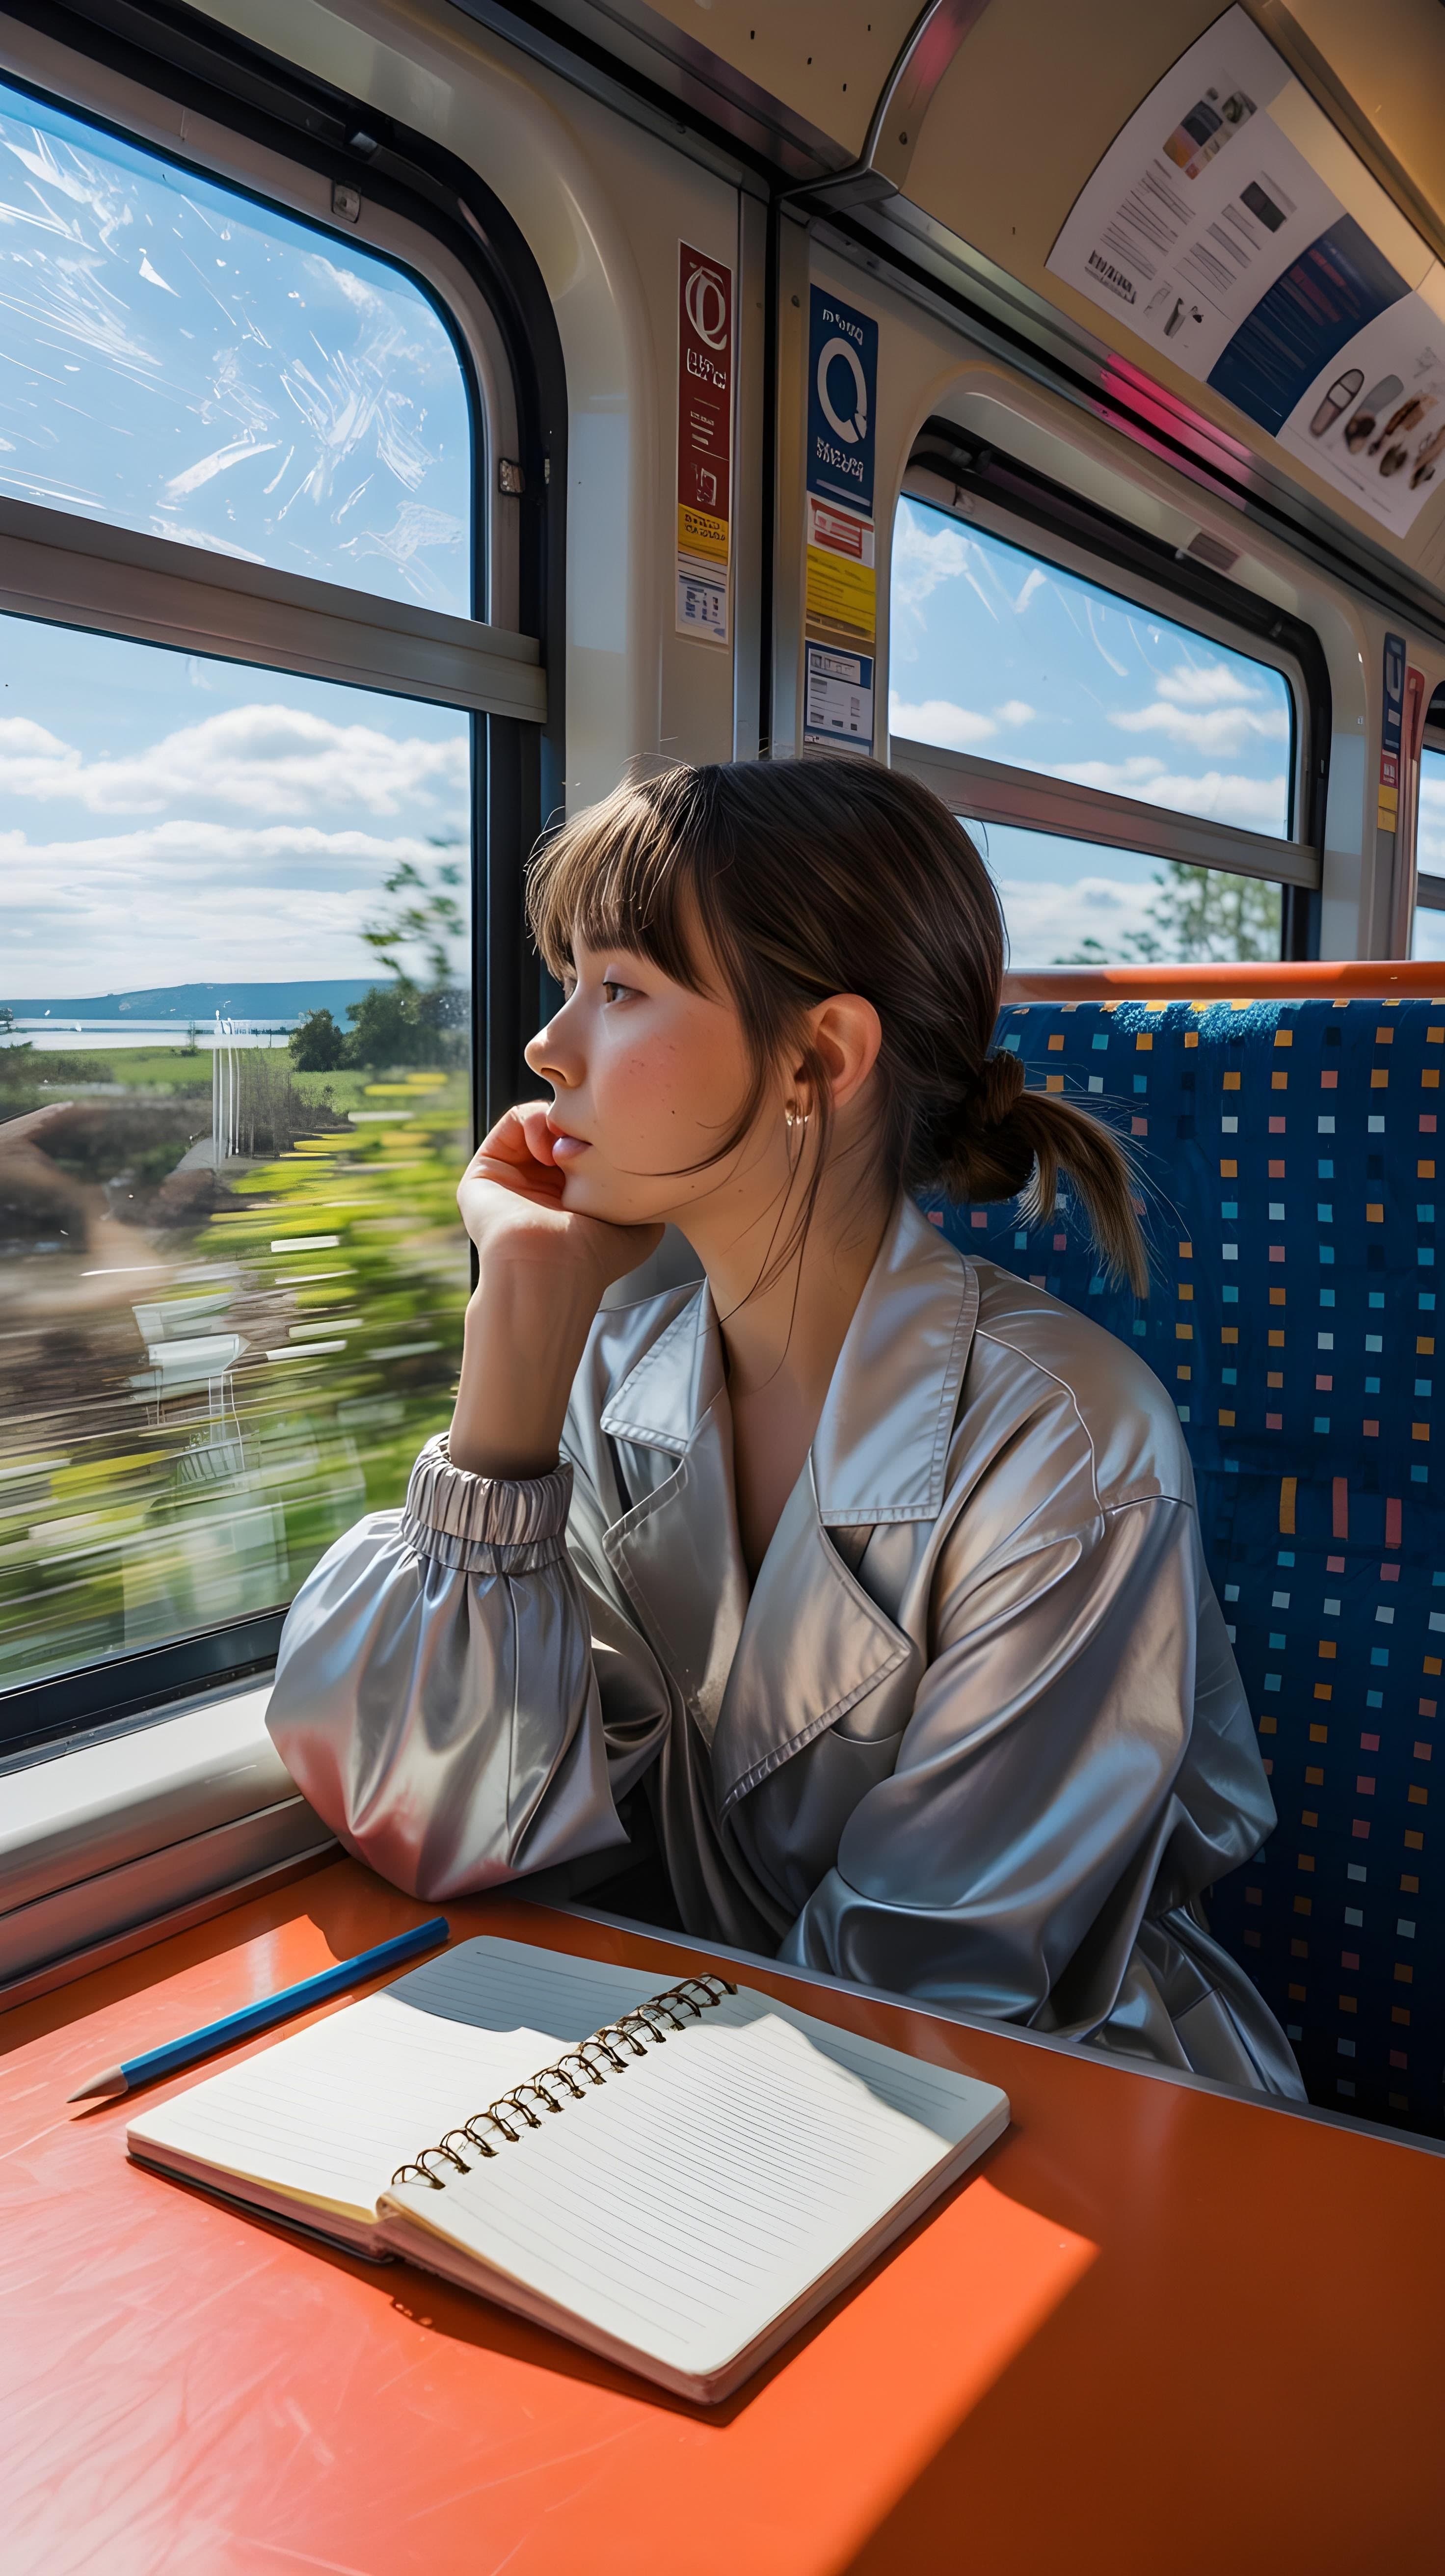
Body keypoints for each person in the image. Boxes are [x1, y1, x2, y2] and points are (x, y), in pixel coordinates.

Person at [267, 757, 1301, 2096]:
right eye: (567, 981)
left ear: (819, 1056)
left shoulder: (1069, 1445)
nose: (547, 1044)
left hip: (1040, 2100)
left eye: (621, 988)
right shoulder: (617, 1370)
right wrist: (518, 1326)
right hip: (733, 2068)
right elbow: (435, 1812)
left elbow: (932, 1972)